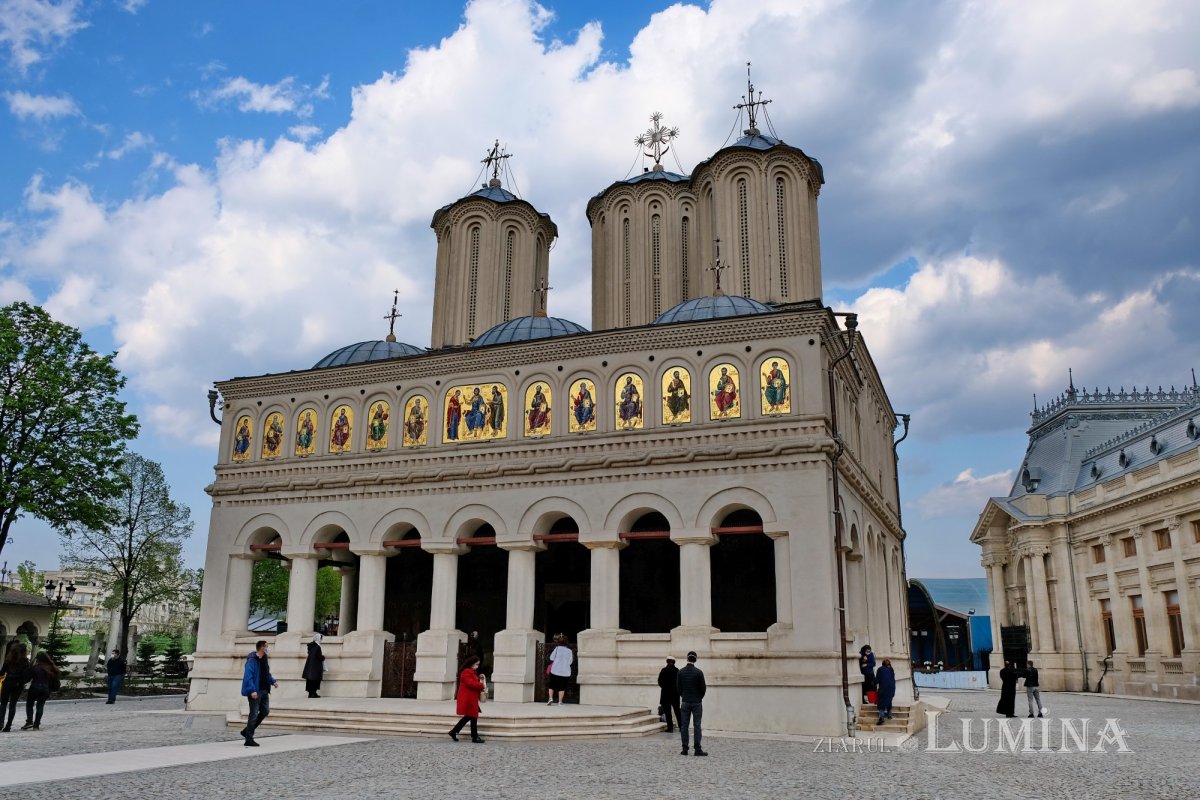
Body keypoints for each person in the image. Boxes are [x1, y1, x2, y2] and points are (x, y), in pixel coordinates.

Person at [239, 639, 278, 747]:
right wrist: (252, 690)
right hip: (255, 691)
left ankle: (246, 731)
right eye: (266, 646)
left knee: (265, 711)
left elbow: (267, 674)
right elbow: (248, 677)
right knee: (253, 715)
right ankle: (249, 739)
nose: (267, 648)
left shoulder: (264, 659)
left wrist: (273, 681)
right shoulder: (251, 661)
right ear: (261, 647)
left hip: (264, 690)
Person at [448, 654, 486, 743]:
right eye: (476, 664)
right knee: (473, 716)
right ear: (472, 663)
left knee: (471, 717)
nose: (477, 666)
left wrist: (479, 677)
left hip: (471, 698)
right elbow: (470, 683)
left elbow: (473, 680)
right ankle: (474, 737)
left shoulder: (470, 672)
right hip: (468, 698)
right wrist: (482, 685)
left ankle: (454, 732)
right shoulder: (466, 672)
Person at [676, 650, 707, 756]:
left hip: (685, 702)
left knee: (684, 726)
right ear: (696, 659)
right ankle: (697, 749)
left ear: (687, 658)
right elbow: (703, 688)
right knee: (697, 725)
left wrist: (684, 696)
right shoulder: (699, 672)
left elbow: (678, 688)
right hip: (696, 702)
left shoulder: (680, 672)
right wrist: (698, 698)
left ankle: (685, 749)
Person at [22, 651, 59, 731]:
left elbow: (27, 678)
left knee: (29, 704)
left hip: (34, 687)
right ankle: (36, 725)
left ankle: (29, 721)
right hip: (45, 688)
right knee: (40, 706)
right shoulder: (51, 667)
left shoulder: (35, 667)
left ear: (38, 658)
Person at [0, 643, 30, 732]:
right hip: (18, 684)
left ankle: (0, 722)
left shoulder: (8, 660)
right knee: (13, 704)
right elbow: (26, 675)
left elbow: (2, 673)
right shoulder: (25, 661)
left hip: (8, 682)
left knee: (3, 704)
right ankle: (8, 726)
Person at [546, 634, 573, 705]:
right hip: (565, 672)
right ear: (566, 642)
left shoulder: (557, 649)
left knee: (552, 685)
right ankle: (560, 702)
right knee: (562, 687)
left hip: (555, 670)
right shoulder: (569, 651)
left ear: (558, 642)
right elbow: (570, 662)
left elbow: (551, 658)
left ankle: (550, 698)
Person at [656, 656, 680, 733]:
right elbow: (679, 683)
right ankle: (681, 726)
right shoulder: (677, 671)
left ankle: (670, 728)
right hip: (675, 695)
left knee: (667, 712)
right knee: (677, 711)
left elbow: (659, 681)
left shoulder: (664, 670)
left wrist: (665, 687)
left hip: (665, 694)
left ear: (667, 661)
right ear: (674, 662)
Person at [302, 633, 325, 698]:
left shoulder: (311, 646)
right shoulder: (317, 647)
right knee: (315, 680)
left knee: (310, 680)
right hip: (315, 666)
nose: (321, 640)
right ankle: (313, 693)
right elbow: (319, 657)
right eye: (321, 639)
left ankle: (310, 694)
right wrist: (323, 657)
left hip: (310, 666)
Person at [875, 658, 896, 724]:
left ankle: (881, 717)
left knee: (881, 702)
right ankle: (889, 715)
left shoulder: (880, 669)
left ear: (883, 664)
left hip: (883, 688)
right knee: (889, 701)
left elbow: (877, 679)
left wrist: (872, 682)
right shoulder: (891, 670)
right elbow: (893, 679)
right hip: (891, 688)